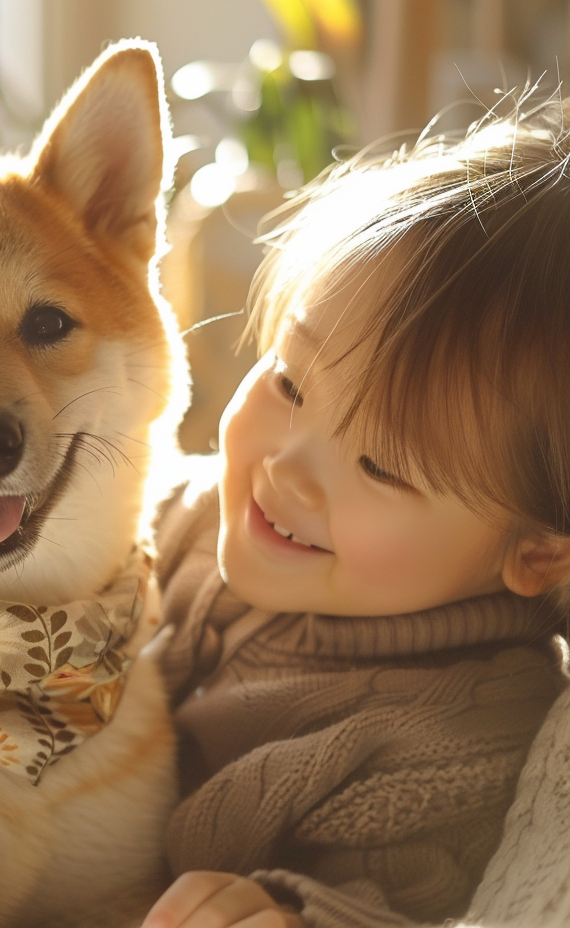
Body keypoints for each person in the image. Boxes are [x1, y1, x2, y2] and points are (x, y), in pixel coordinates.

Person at [143, 96, 570, 928]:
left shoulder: (455, 740)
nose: (285, 469)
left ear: (539, 555)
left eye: (379, 466)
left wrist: (288, 912)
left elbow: (400, 899)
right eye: (289, 382)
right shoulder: (180, 511)